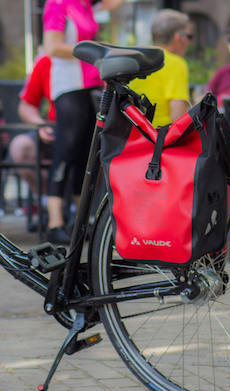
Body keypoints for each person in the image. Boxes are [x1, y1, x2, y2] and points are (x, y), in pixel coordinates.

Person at [42, 0, 124, 244]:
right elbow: (52, 47)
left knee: (84, 155)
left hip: (90, 86)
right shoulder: (57, 4)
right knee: (65, 152)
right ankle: (54, 222)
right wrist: (96, 49)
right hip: (68, 86)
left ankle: (79, 222)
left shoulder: (85, 5)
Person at [129, 9, 191, 127]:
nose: (188, 42)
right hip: (160, 138)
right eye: (188, 36)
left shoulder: (136, 59)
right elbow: (178, 118)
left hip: (132, 137)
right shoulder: (176, 64)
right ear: (177, 39)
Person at [9, 54, 54, 197]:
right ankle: (46, 199)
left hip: (89, 131)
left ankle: (83, 206)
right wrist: (40, 124)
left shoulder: (97, 61)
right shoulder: (46, 61)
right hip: (53, 127)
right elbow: (26, 106)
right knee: (20, 146)